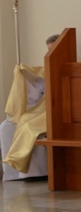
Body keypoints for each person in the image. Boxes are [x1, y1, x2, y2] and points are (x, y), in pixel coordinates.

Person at [0, 33, 59, 180]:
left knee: (29, 128)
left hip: (54, 114)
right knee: (6, 126)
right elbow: (33, 97)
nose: (49, 53)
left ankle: (35, 173)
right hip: (39, 113)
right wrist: (23, 76)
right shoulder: (44, 72)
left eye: (53, 49)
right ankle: (12, 173)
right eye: (48, 49)